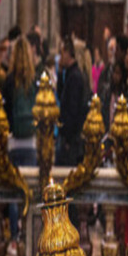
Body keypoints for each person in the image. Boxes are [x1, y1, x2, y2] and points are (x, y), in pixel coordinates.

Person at [3, 36, 37, 252]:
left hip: (14, 141)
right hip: (31, 142)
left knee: (14, 192)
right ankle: (29, 233)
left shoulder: (9, 80)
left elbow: (4, 113)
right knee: (29, 190)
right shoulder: (33, 80)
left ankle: (15, 238)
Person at [56, 36, 88, 166]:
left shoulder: (75, 77)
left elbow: (73, 110)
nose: (59, 57)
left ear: (68, 53)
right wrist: (59, 72)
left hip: (70, 140)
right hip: (66, 136)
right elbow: (61, 95)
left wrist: (68, 140)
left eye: (61, 52)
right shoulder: (69, 74)